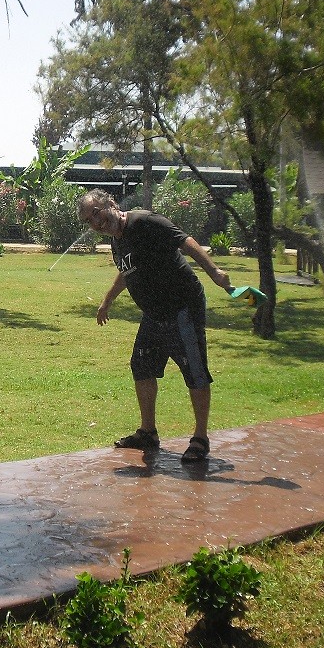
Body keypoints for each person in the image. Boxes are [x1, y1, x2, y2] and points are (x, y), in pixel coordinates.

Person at [76, 188, 232, 462]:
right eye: (89, 221)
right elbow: (127, 271)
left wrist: (214, 272)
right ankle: (148, 433)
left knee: (194, 370)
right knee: (142, 366)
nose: (96, 223)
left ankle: (200, 438)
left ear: (111, 203)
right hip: (154, 313)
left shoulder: (145, 222)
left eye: (97, 213)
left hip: (182, 307)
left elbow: (185, 242)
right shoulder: (117, 241)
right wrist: (107, 300)